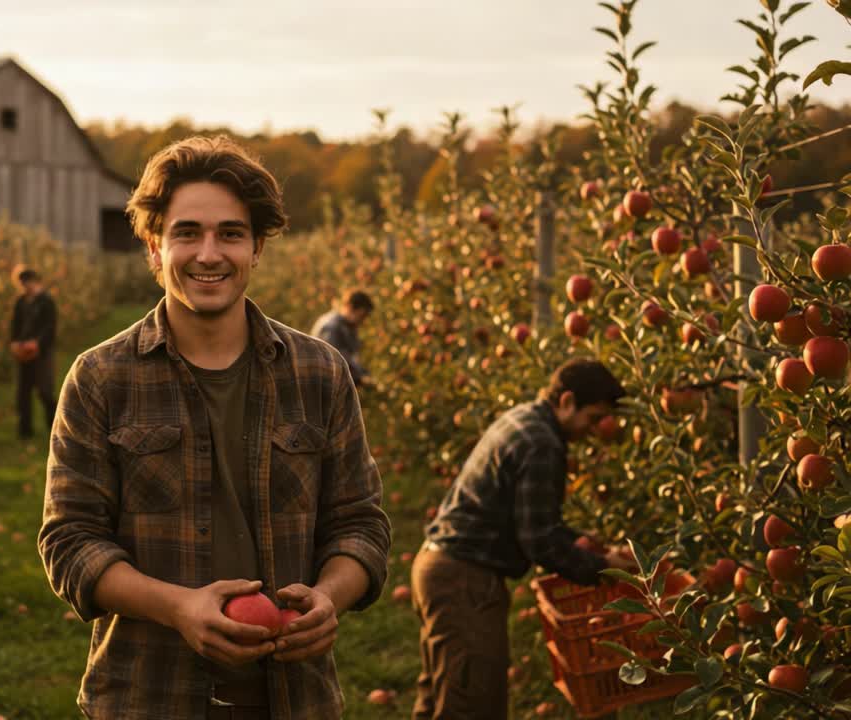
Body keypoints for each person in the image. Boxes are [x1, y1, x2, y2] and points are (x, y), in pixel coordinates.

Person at [38, 135, 391, 720]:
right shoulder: (101, 379)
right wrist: (177, 607)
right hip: (149, 695)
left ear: (256, 248)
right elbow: (70, 543)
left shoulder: (319, 372)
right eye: (187, 233)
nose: (209, 253)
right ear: (154, 248)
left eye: (230, 233)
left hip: (294, 697)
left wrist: (330, 598)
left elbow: (360, 523)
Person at [411, 357, 632, 719]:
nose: (593, 430)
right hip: (464, 582)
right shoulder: (544, 444)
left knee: (441, 701)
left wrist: (584, 541)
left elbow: (529, 521)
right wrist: (604, 568)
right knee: (472, 707)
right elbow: (540, 542)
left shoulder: (524, 418)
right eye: (591, 418)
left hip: (438, 570)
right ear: (566, 401)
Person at [9, 265, 58, 439]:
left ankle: (54, 426)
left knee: (44, 391)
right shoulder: (20, 302)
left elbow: (50, 328)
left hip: (41, 353)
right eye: (21, 284)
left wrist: (38, 344)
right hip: (24, 351)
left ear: (34, 282)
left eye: (27, 283)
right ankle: (25, 430)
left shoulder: (46, 302)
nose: (25, 287)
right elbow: (15, 325)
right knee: (23, 391)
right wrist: (15, 343)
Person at [310, 289, 374, 387]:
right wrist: (360, 377)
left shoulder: (347, 326)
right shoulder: (332, 327)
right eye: (362, 315)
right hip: (321, 384)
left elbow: (350, 359)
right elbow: (334, 361)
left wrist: (363, 374)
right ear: (350, 307)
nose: (363, 321)